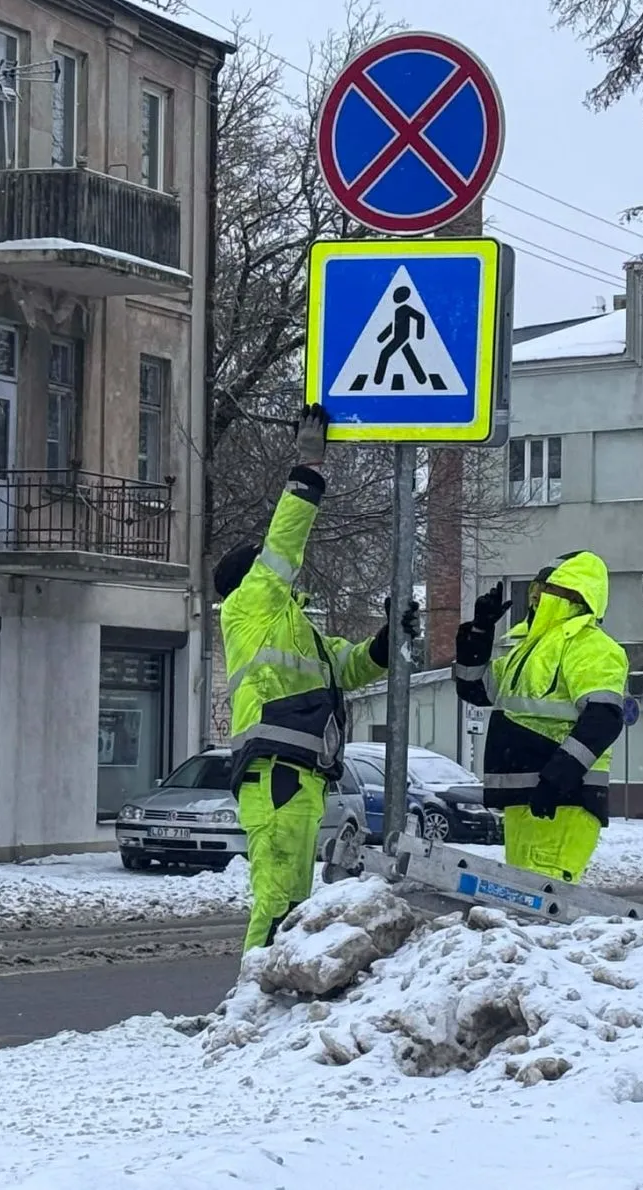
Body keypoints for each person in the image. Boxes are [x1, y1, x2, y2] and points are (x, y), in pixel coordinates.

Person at [214, 403, 420, 953]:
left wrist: (388, 636)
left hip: (300, 779)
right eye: (261, 567)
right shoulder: (247, 608)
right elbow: (282, 548)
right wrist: (308, 470)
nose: (276, 570)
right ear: (247, 578)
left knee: (292, 902)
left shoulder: (293, 628)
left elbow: (350, 666)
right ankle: (249, 1005)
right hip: (276, 774)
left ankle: (266, 1001)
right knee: (278, 901)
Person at [452, 553, 628, 884]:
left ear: (572, 596)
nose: (535, 600)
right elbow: (474, 689)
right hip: (529, 799)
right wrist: (480, 631)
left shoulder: (590, 646)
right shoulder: (528, 649)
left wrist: (556, 781)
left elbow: (604, 718)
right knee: (525, 903)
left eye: (543, 592)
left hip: (562, 801)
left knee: (543, 900)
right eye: (533, 591)